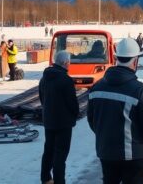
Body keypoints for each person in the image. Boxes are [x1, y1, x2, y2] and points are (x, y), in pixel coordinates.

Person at [88, 38, 143, 184]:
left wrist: (106, 137)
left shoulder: (96, 88)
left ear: (116, 58)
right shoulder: (140, 91)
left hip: (106, 154)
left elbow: (93, 120)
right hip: (135, 157)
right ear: (135, 61)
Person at [39, 50, 79, 184]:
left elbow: (42, 98)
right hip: (63, 123)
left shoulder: (44, 77)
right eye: (69, 62)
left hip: (49, 121)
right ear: (65, 63)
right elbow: (72, 103)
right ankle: (59, 181)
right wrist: (74, 115)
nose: (70, 64)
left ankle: (45, 178)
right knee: (60, 154)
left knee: (48, 149)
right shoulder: (66, 80)